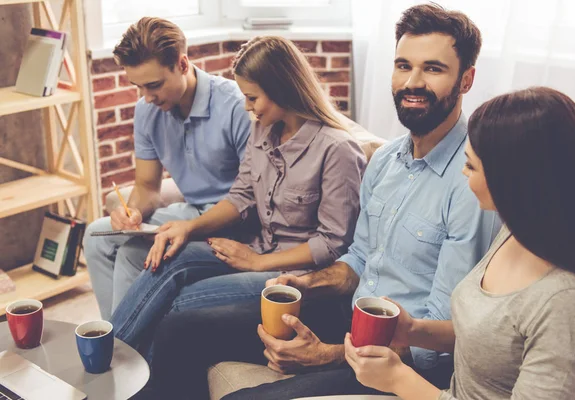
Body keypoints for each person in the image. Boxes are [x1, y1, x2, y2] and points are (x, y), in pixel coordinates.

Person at [148, 4, 501, 400]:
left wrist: (327, 356)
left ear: (466, 80)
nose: (412, 82)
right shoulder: (385, 161)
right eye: (403, 65)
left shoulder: (473, 182)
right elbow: (359, 260)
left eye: (433, 69)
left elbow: (440, 337)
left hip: (402, 360)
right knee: (179, 330)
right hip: (349, 317)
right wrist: (308, 283)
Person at [109, 36, 367, 352]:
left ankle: (119, 368)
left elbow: (333, 243)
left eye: (253, 98)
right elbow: (242, 195)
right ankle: (111, 354)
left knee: (177, 303)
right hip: (257, 249)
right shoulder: (263, 128)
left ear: (283, 89)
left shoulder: (338, 149)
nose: (247, 107)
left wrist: (261, 263)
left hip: (294, 274)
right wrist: (188, 228)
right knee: (169, 259)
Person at [345, 87, 575, 400]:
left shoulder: (565, 303)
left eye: (471, 166)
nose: (463, 175)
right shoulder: (515, 233)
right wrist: (414, 330)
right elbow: (492, 340)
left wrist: (398, 379)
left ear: (511, 180)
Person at [82, 17, 251, 320]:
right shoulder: (147, 110)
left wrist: (189, 228)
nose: (146, 97)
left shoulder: (236, 106)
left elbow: (251, 199)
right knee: (96, 236)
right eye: (138, 87)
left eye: (154, 85)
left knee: (134, 255)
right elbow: (147, 186)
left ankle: (122, 349)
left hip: (233, 220)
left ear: (183, 64)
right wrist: (132, 212)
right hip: (191, 210)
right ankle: (113, 337)